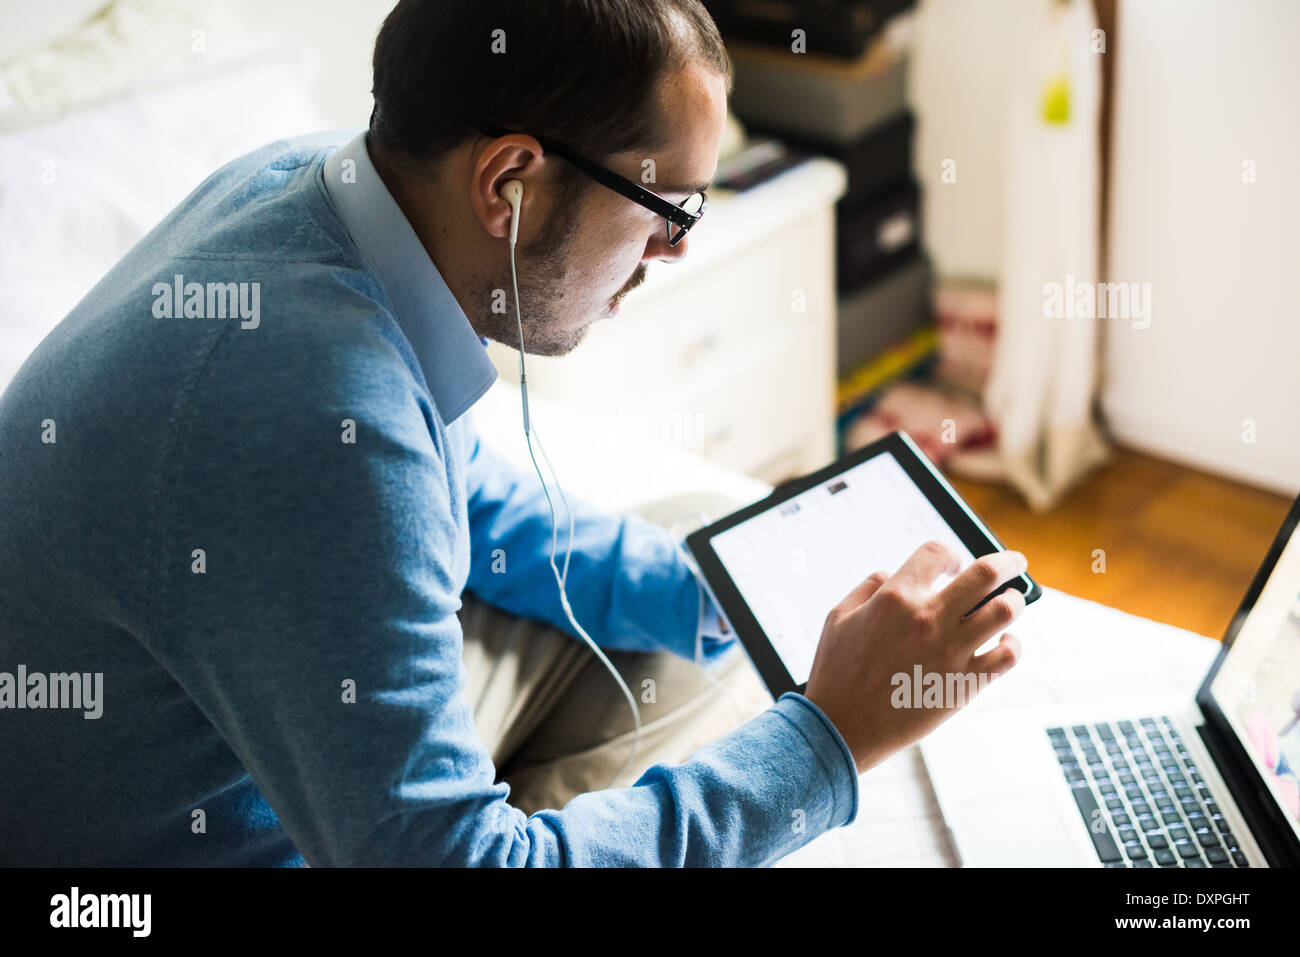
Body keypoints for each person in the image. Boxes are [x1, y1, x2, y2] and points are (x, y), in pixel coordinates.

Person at [0, 0, 1026, 866]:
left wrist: (725, 594)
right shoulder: (316, 413)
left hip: (245, 706)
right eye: (667, 205)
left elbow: (465, 494)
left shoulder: (311, 182)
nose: (673, 249)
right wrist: (828, 742)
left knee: (707, 550)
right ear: (508, 184)